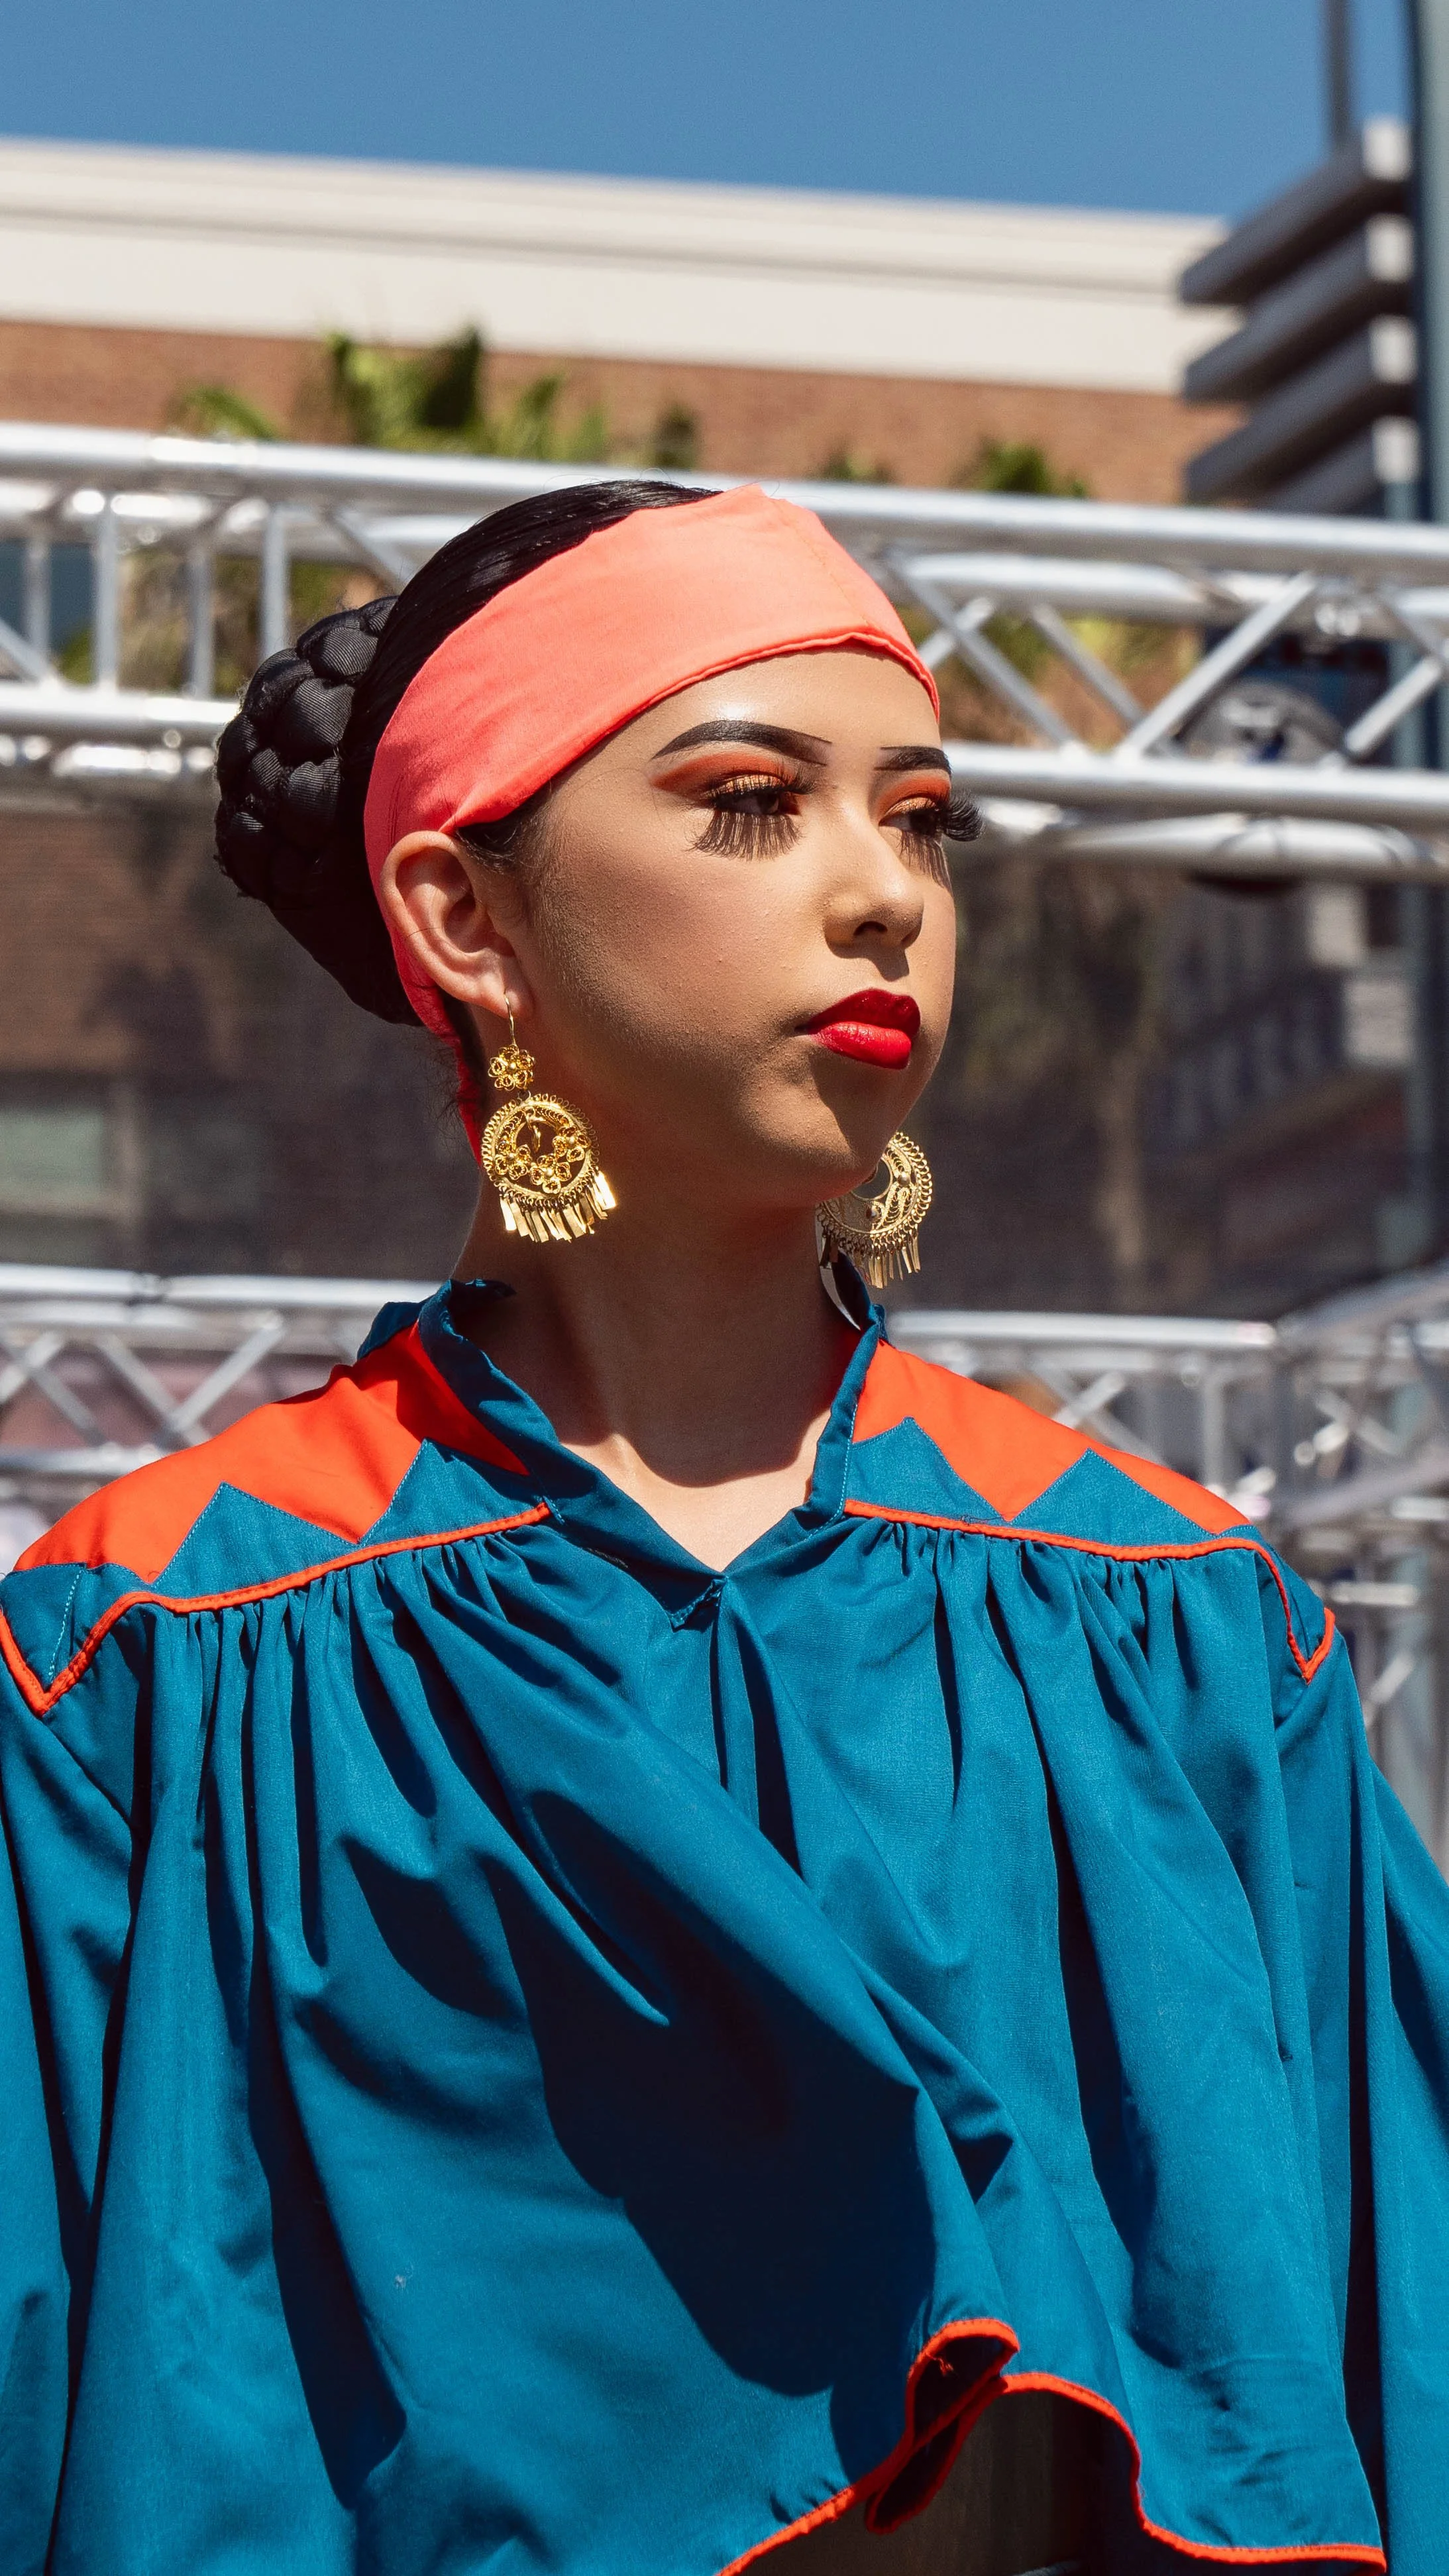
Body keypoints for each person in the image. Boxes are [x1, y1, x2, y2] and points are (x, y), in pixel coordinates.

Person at [0, 478, 1445, 2576]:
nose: (885, 896)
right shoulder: (137, 1657)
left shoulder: (1183, 1633)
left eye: (926, 818)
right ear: (464, 919)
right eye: (753, 800)